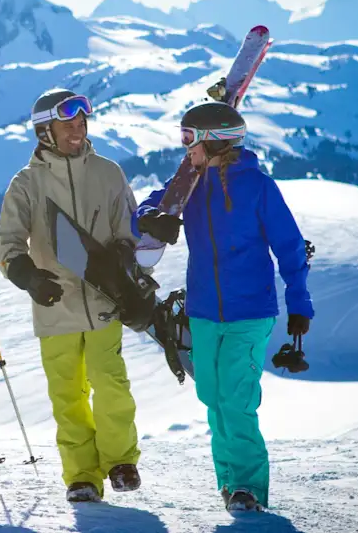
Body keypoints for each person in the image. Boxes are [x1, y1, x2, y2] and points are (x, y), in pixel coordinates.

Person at [133, 100, 314, 512]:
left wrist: (299, 303)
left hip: (250, 312)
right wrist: (150, 218)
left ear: (215, 142)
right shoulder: (189, 183)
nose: (185, 147)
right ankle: (230, 481)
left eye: (189, 139)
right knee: (213, 397)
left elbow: (290, 247)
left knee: (236, 399)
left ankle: (248, 486)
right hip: (202, 312)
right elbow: (145, 207)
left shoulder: (258, 187)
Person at [0, 88, 142, 504]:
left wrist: (125, 260)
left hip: (103, 302)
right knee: (67, 395)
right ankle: (81, 476)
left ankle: (120, 462)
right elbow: (8, 243)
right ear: (45, 132)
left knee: (110, 384)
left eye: (81, 123)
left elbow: (130, 230)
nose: (78, 131)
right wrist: (28, 277)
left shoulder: (108, 173)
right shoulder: (27, 183)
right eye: (68, 125)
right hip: (55, 304)